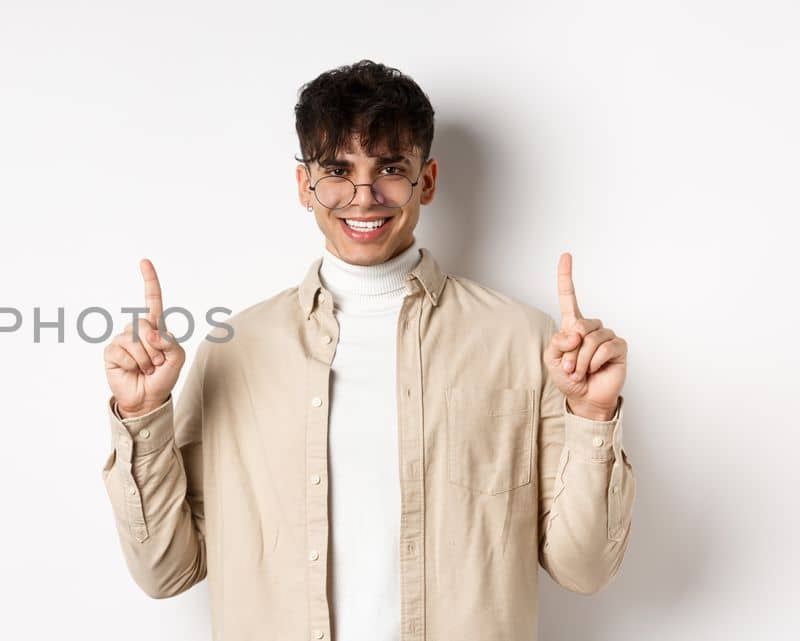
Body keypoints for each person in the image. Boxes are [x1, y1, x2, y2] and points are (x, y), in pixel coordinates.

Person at [99, 59, 635, 641]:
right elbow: (166, 573)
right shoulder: (237, 352)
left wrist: (593, 415)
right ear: (305, 185)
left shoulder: (524, 342)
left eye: (390, 169)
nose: (363, 196)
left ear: (426, 181)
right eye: (337, 170)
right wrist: (142, 417)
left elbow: (584, 571)